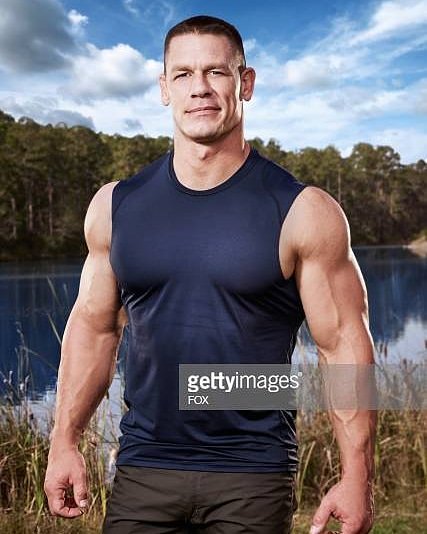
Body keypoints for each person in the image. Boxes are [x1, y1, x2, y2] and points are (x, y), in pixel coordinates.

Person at [44, 15, 376, 534]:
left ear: (245, 83)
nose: (199, 88)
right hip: (143, 466)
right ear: (164, 89)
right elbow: (94, 328)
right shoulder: (115, 206)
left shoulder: (302, 211)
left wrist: (357, 476)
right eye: (183, 74)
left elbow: (343, 347)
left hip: (253, 473)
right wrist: (64, 440)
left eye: (216, 72)